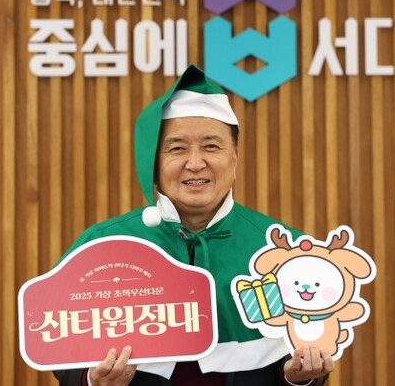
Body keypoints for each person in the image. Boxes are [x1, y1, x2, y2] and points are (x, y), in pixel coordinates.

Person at [53, 65, 333, 385]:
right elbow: (59, 349)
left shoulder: (284, 251)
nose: (196, 163)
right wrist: (93, 380)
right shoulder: (103, 246)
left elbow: (305, 354)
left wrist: (299, 379)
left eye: (211, 146)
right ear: (154, 163)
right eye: (177, 148)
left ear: (235, 157)